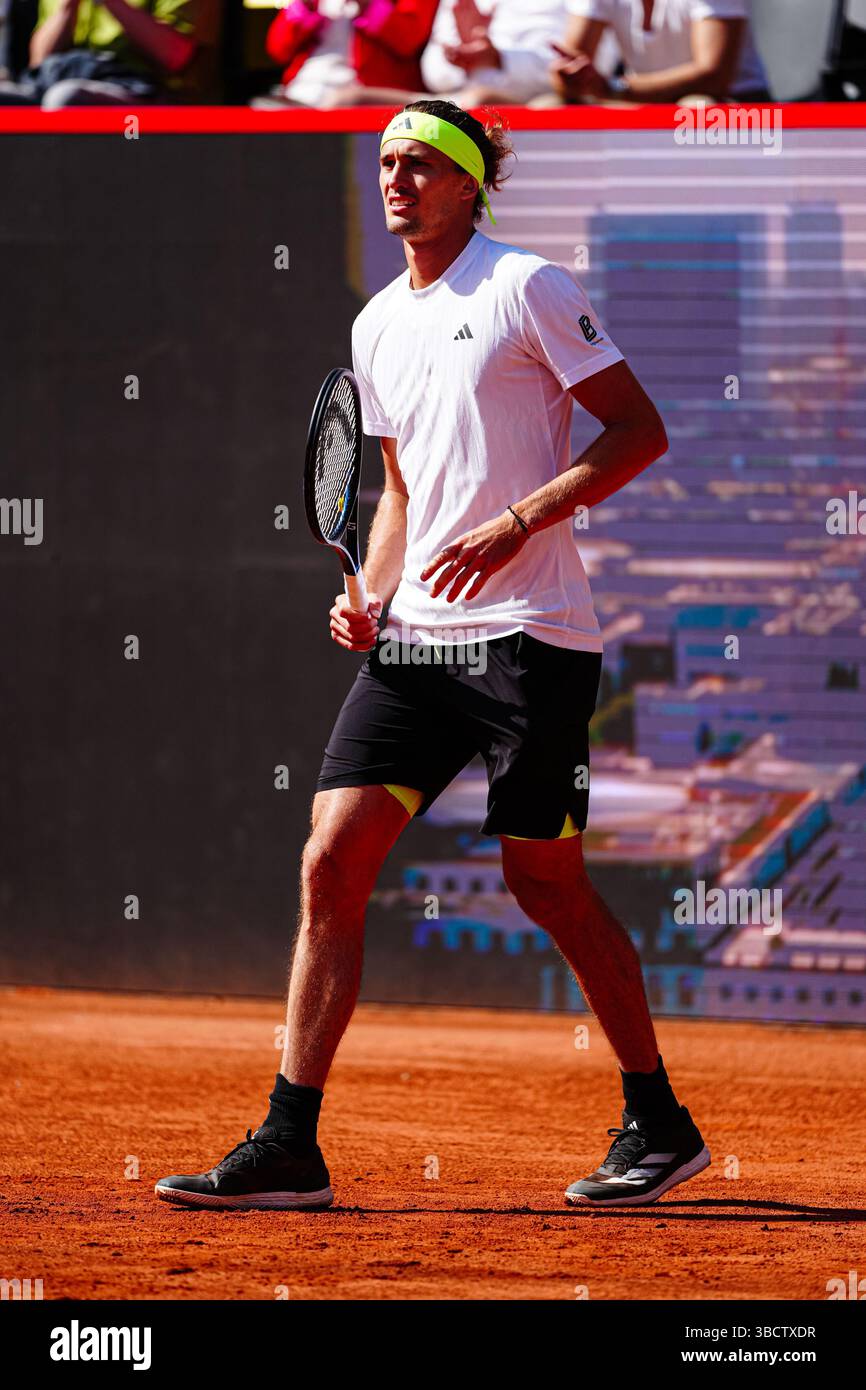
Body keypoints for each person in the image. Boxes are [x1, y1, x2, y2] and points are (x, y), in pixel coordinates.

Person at [155, 98, 711, 1213]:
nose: (395, 177)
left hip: (531, 640)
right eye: (384, 161)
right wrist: (369, 590)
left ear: (469, 184)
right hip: (413, 647)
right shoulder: (372, 327)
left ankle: (654, 1118)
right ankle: (288, 1140)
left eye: (419, 163)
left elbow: (636, 430)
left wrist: (518, 521)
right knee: (329, 862)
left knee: (541, 883)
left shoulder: (526, 288)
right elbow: (399, 491)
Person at [551, 0, 769, 105]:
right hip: (639, 101)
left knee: (697, 109)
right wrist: (568, 79)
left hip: (740, 104)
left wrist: (613, 89)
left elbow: (714, 77)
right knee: (549, 108)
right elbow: (572, 68)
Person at [0, 0, 215, 105]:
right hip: (60, 77)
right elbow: (39, 63)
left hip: (145, 92)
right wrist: (68, 8)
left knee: (67, 99)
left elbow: (175, 56)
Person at [260, 0, 438, 109]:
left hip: (367, 95)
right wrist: (304, 6)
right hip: (303, 91)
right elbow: (278, 51)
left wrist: (367, 4)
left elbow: (409, 41)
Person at [420, 0, 572, 107]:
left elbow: (572, 69)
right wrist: (464, 56)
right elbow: (435, 74)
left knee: (479, 102)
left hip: (537, 104)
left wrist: (498, 59)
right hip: (451, 102)